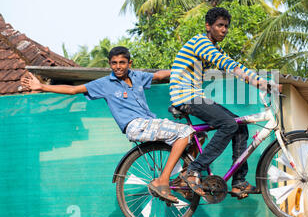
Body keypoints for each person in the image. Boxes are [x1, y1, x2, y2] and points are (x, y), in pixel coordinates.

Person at [21, 46, 193, 204]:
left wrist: (183, 70)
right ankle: (163, 181)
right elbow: (73, 90)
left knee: (197, 136)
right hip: (136, 126)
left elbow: (159, 75)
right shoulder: (104, 84)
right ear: (109, 64)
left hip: (150, 123)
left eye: (122, 63)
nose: (118, 67)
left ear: (129, 63)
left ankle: (181, 178)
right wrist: (42, 86)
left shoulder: (138, 76)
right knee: (185, 132)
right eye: (114, 63)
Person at [170, 7, 282, 199]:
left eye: (226, 26)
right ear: (208, 26)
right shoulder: (200, 42)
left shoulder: (213, 46)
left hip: (194, 95)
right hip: (185, 96)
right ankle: (192, 170)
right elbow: (226, 64)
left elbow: (230, 62)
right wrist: (259, 82)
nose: (224, 30)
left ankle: (239, 182)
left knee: (240, 125)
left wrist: (258, 80)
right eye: (220, 25)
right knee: (229, 124)